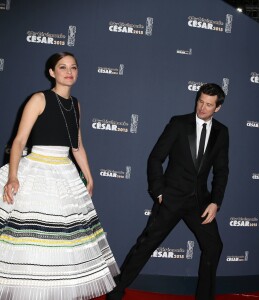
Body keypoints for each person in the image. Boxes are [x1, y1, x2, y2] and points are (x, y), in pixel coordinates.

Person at [0, 52, 119, 299]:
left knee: (63, 242)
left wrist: (89, 176)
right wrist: (13, 176)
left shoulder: (76, 104)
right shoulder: (39, 99)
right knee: (31, 240)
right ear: (52, 73)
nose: (69, 71)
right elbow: (19, 141)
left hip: (64, 173)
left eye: (73, 67)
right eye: (62, 67)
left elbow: (77, 146)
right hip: (36, 171)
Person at [107, 83, 229, 300]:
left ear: (217, 108)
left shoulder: (222, 132)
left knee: (214, 247)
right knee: (146, 245)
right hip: (171, 198)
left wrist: (215, 202)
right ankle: (116, 291)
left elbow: (221, 170)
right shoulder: (179, 124)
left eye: (209, 104)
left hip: (200, 202)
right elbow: (156, 158)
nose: (202, 107)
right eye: (200, 101)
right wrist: (159, 192)